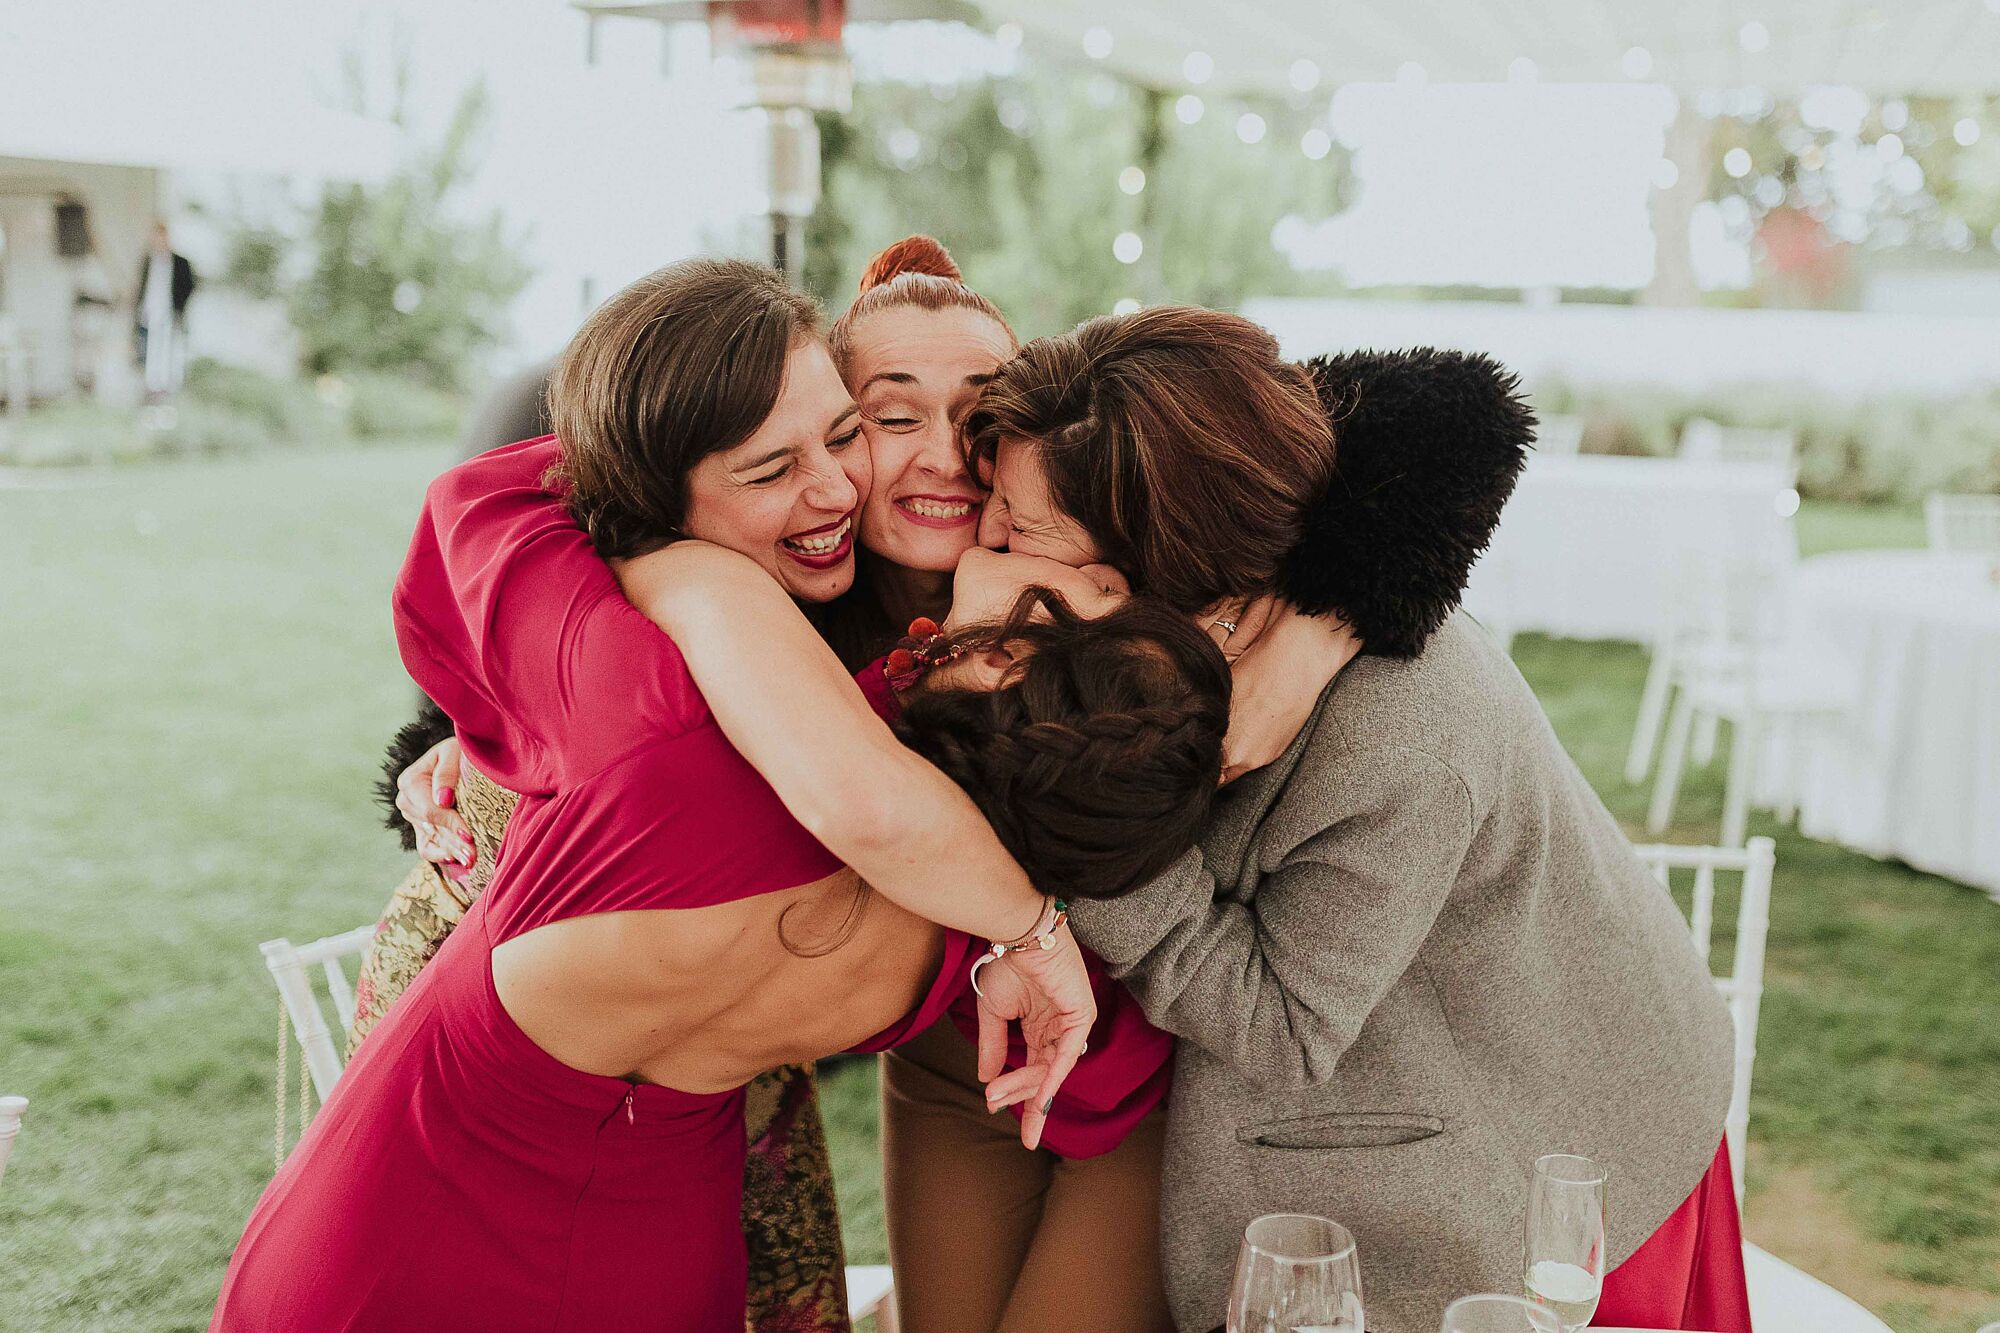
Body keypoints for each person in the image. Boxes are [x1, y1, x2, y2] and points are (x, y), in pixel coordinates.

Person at [213, 258, 1232, 1332]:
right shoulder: (949, 929)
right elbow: (876, 809)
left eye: (841, 437)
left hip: (506, 1220)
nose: (845, 484)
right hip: (535, 1226)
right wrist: (1029, 927)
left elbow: (505, 502)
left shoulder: (655, 698)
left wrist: (687, 561)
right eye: (856, 427)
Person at [965, 310, 1753, 1333]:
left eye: (1013, 527)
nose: (978, 540)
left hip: (1549, 1137)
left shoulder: (1402, 736)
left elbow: (1281, 1023)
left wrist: (1091, 834)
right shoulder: (1223, 561)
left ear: (1144, 568)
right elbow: (1415, 403)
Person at [133, 222, 195, 404]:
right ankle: (151, 393)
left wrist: (178, 308)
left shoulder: (180, 263)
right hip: (149, 314)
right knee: (149, 353)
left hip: (169, 315)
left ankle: (164, 394)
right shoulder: (148, 261)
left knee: (167, 355)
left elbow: (188, 287)